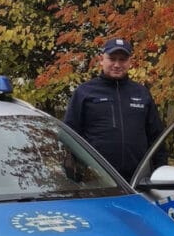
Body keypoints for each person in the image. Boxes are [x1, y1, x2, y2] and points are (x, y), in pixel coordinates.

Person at [63, 37, 167, 181]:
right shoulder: (84, 92)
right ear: (101, 60)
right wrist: (73, 172)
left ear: (130, 62)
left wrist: (161, 172)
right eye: (112, 59)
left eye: (122, 60)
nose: (117, 64)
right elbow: (69, 136)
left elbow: (156, 137)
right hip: (96, 179)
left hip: (137, 179)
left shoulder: (142, 93)